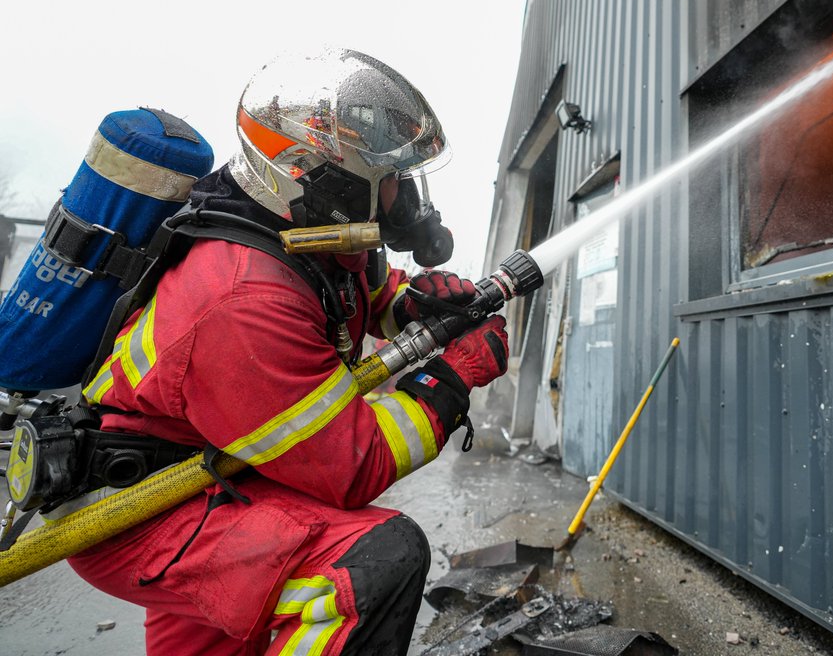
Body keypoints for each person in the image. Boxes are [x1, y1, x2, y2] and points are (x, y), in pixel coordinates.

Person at [61, 48, 509, 655]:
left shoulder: (309, 239)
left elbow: (357, 296)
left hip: (217, 467)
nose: (405, 197)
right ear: (330, 181)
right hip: (146, 509)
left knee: (217, 634)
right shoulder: (241, 294)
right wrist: (450, 381)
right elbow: (351, 465)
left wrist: (412, 305)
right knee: (370, 567)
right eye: (391, 179)